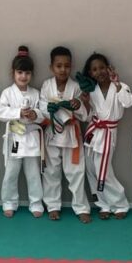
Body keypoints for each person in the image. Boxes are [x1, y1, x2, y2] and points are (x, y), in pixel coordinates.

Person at [40, 46, 91, 223]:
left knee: (76, 172)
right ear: (51, 67)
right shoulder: (46, 85)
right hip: (52, 135)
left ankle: (81, 207)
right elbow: (43, 108)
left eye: (67, 66)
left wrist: (78, 105)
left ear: (71, 67)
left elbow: (85, 115)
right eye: (59, 66)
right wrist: (55, 111)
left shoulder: (76, 87)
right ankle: (53, 206)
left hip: (72, 136)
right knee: (51, 172)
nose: (63, 69)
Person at [81, 52, 132, 220]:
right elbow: (87, 116)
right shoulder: (91, 90)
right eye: (95, 69)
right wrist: (85, 103)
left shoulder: (120, 86)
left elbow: (128, 102)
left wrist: (117, 84)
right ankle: (103, 205)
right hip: (93, 131)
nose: (99, 72)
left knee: (104, 170)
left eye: (102, 67)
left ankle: (120, 204)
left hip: (109, 132)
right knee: (90, 169)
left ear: (108, 68)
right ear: (90, 73)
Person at [0, 46, 46, 217]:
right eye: (20, 72)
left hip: (31, 138)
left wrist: (35, 114)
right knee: (10, 174)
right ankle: (9, 202)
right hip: (14, 139)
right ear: (13, 73)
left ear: (31, 74)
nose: (23, 76)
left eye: (27, 73)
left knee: (33, 174)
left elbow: (44, 113)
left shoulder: (36, 93)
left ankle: (36, 203)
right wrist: (18, 112)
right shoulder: (7, 93)